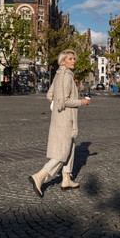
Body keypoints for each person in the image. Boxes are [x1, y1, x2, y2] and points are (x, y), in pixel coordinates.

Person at [29, 49, 91, 198]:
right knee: (63, 152)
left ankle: (66, 179)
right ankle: (40, 176)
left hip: (60, 117)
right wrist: (81, 102)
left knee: (70, 147)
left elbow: (50, 95)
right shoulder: (66, 76)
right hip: (65, 118)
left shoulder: (58, 75)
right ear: (62, 61)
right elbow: (64, 101)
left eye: (74, 58)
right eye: (70, 59)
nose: (73, 61)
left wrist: (56, 105)